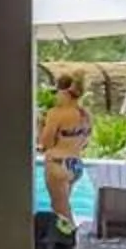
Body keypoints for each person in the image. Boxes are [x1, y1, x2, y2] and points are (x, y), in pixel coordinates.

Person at [40, 74, 93, 231]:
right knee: (64, 206)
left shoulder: (56, 114)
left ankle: (70, 243)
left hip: (58, 164)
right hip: (75, 164)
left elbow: (46, 143)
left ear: (63, 92)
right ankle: (66, 241)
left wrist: (40, 127)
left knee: (61, 210)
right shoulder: (86, 115)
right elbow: (85, 142)